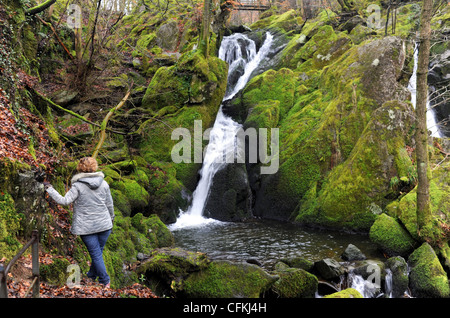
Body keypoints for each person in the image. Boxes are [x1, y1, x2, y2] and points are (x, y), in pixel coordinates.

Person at [44, 157, 114, 288]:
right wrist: (112, 218)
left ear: (80, 168)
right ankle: (92, 276)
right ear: (95, 167)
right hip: (105, 225)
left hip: (86, 227)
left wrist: (49, 188)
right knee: (97, 253)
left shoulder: (78, 186)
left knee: (96, 254)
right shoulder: (104, 184)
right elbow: (110, 205)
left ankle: (105, 281)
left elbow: (64, 201)